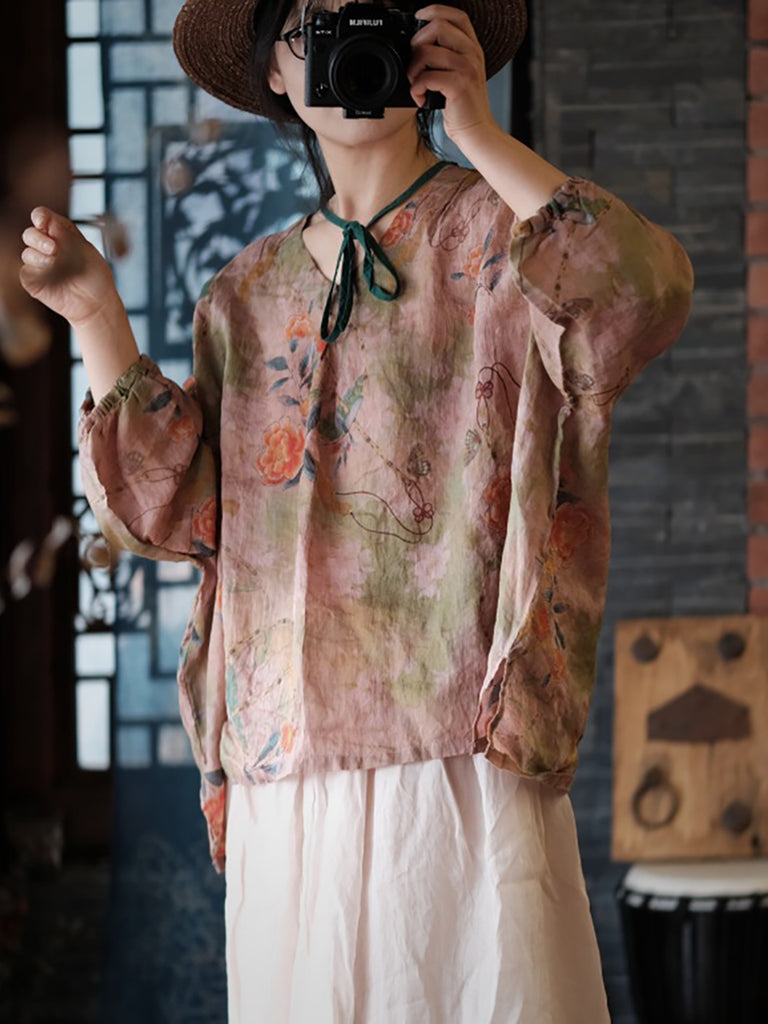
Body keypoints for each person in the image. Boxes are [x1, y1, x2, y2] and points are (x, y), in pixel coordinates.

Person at [19, 1, 694, 1021]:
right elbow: (168, 512)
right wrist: (92, 313)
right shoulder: (242, 295)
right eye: (315, 27)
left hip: (460, 757)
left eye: (375, 13)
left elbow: (643, 295)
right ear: (276, 74)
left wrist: (479, 131)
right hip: (285, 772)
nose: (347, 47)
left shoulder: (505, 239)